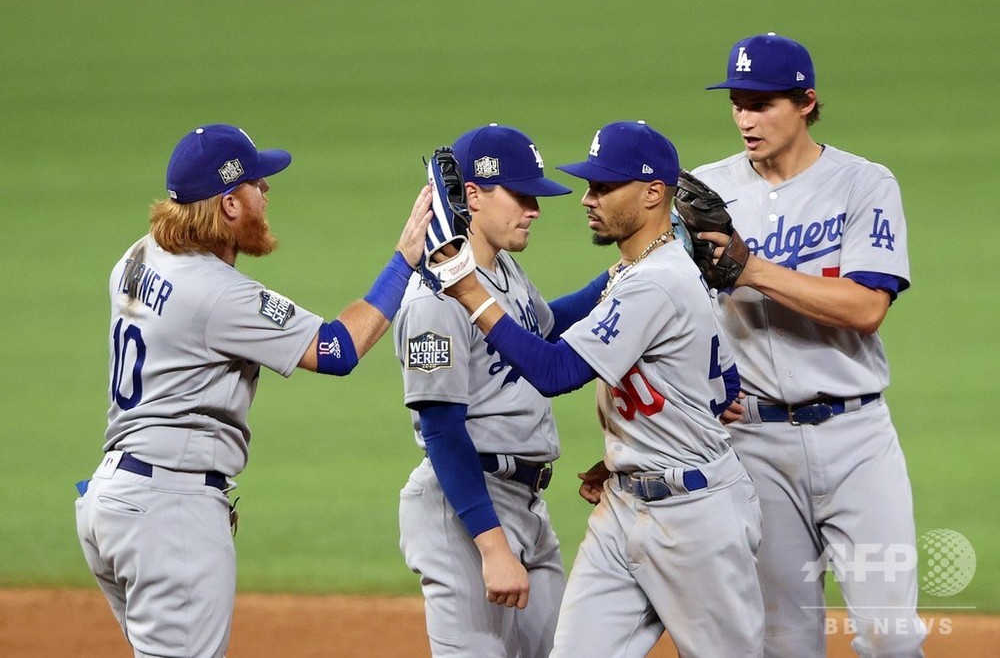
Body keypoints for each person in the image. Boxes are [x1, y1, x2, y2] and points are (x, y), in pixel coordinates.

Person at [75, 123, 432, 658]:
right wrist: (405, 259)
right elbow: (337, 349)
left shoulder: (139, 253)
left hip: (113, 502)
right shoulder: (219, 296)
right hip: (168, 514)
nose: (266, 192)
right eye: (256, 185)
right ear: (228, 206)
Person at [436, 120, 764, 658]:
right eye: (590, 185)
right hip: (623, 508)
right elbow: (722, 389)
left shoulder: (657, 280)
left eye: (604, 187)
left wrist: (469, 290)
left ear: (653, 193)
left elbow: (556, 371)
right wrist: (633, 455)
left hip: (695, 519)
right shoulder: (638, 272)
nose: (588, 199)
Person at [693, 33, 926, 656]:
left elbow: (866, 307)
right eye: (738, 103)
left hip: (856, 443)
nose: (746, 118)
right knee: (785, 642)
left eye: (763, 103)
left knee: (891, 637)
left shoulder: (863, 184)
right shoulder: (704, 194)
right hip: (755, 446)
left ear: (805, 102)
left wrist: (751, 268)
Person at [394, 123, 611, 658]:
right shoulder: (435, 300)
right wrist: (491, 547)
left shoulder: (503, 268)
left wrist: (618, 277)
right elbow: (443, 431)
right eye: (521, 195)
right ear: (473, 194)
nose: (534, 208)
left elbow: (542, 330)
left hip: (526, 505)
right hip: (466, 509)